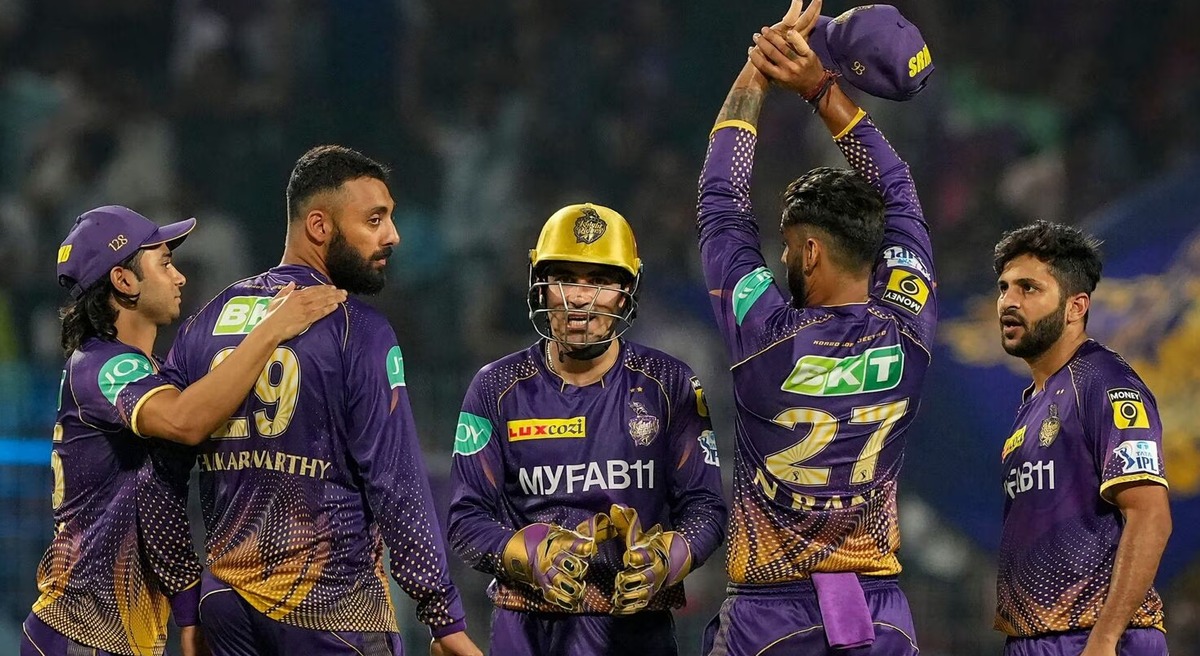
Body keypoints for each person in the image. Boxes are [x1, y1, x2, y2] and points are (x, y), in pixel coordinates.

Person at [153, 145, 481, 656]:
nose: (392, 236)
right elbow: (396, 482)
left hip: (225, 605)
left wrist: (188, 604)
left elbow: (158, 478)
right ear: (320, 226)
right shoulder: (358, 330)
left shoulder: (205, 322)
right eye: (374, 219)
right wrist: (443, 616)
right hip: (330, 607)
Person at [695, 1, 937, 653]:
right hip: (881, 615)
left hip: (771, 617)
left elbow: (721, 207)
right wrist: (821, 90)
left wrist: (758, 69)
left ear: (808, 253)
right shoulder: (910, 323)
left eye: (785, 246)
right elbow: (899, 190)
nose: (780, 258)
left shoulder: (765, 336)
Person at [25, 205, 345, 656]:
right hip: (79, 635)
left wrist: (189, 616)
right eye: (165, 263)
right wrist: (270, 330)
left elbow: (157, 503)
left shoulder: (143, 372)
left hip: (114, 639)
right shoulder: (102, 366)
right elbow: (185, 421)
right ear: (124, 280)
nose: (180, 278)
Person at [446, 202, 727, 655]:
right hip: (527, 633)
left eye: (599, 281)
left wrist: (667, 558)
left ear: (626, 292)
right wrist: (529, 555)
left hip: (637, 633)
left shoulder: (671, 384)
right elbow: (465, 522)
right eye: (564, 279)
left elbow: (706, 509)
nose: (579, 298)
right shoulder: (495, 387)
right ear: (540, 286)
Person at [993, 220, 1171, 656]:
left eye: (1029, 288)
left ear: (1076, 307)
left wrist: (1105, 639)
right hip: (1032, 639)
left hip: (1097, 638)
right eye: (1004, 288)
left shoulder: (1105, 382)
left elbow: (1150, 516)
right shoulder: (1031, 403)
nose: (1009, 301)